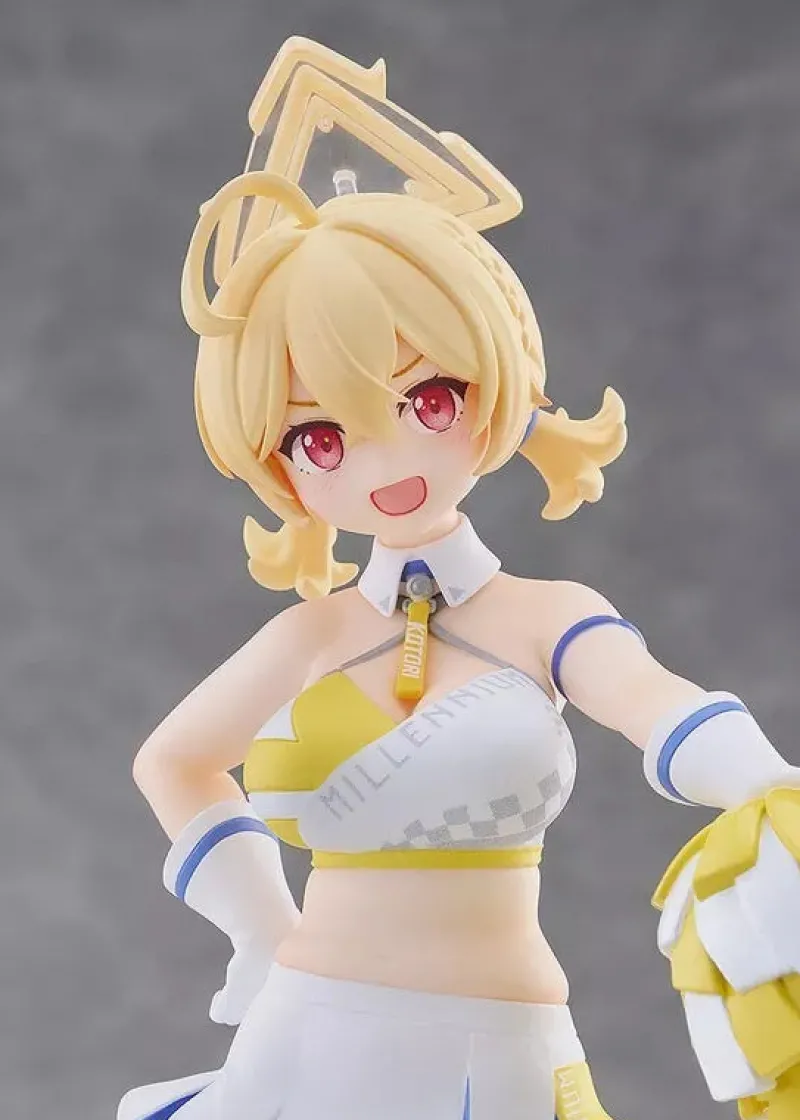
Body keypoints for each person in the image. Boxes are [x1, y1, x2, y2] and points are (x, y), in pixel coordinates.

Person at [118, 36, 800, 1120]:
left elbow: (660, 708)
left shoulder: (547, 620)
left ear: (495, 384)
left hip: (502, 1047)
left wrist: (768, 785)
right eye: (319, 438)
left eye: (426, 400)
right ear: (278, 466)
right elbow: (175, 760)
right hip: (309, 1029)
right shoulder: (311, 634)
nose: (384, 460)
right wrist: (259, 927)